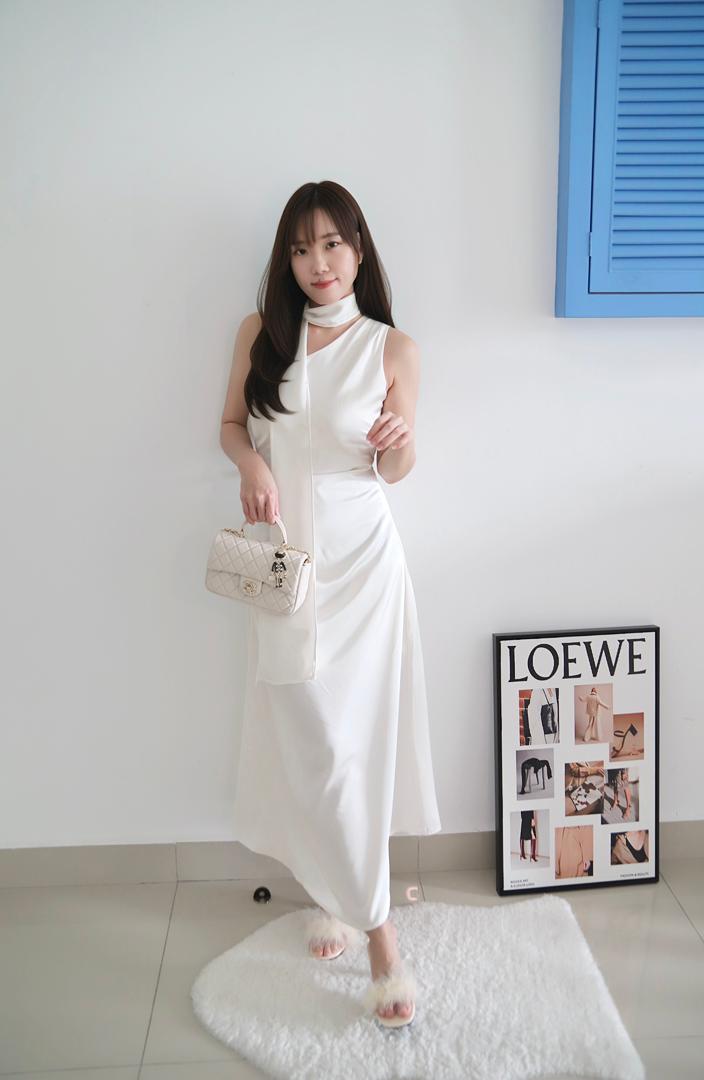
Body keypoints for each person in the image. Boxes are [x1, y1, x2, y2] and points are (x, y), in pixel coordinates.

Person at [218, 180, 442, 1028]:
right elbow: (230, 426)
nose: (318, 263)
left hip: (365, 567)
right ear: (288, 258)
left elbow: (395, 470)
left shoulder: (393, 347)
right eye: (301, 248)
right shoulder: (260, 334)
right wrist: (253, 465)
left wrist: (401, 440)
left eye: (332, 244)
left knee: (356, 748)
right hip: (285, 565)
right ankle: (343, 895)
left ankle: (376, 934)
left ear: (358, 248)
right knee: (313, 742)